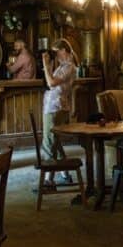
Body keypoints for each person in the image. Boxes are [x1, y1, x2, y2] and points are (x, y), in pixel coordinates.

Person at [41, 40, 78, 184]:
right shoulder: (63, 66)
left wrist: (45, 65)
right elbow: (51, 82)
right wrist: (48, 67)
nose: (55, 55)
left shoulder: (69, 67)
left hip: (56, 108)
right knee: (55, 141)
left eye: (56, 52)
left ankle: (48, 181)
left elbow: (51, 83)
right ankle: (65, 174)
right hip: (54, 107)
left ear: (63, 50)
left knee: (49, 142)